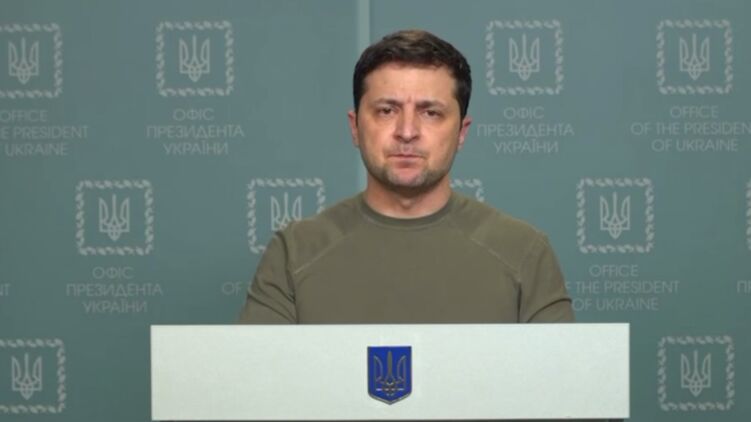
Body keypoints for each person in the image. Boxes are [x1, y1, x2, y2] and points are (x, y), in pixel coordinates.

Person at [238, 29, 573, 324]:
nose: (407, 131)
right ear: (355, 127)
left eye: (431, 112)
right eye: (387, 110)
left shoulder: (524, 252)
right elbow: (257, 374)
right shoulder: (294, 252)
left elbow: (560, 375)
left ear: (461, 132)